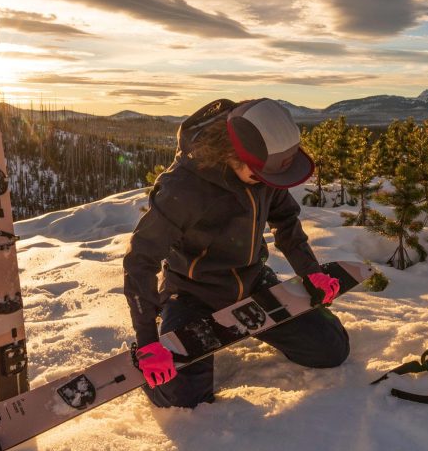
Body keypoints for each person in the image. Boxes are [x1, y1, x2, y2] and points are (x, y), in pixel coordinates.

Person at [123, 98, 350, 408]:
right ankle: (146, 354)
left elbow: (285, 221)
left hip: (252, 282)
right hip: (191, 294)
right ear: (232, 153)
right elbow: (140, 259)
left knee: (331, 348)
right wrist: (148, 340)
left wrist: (309, 271)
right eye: (260, 177)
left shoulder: (265, 167)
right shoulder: (185, 187)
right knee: (182, 396)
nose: (268, 184)